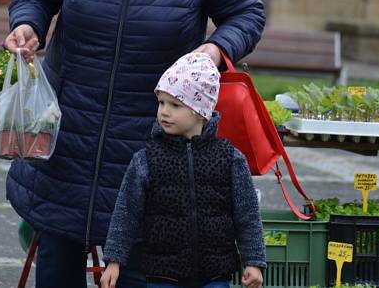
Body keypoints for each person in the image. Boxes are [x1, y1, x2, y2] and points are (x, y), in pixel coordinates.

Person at [4, 0, 265, 288]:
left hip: (153, 137)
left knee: (141, 269)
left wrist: (215, 49)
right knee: (57, 259)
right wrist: (28, 23)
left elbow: (246, 13)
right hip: (69, 129)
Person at [100, 52, 265, 288]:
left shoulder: (229, 158)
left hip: (215, 273)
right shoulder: (146, 158)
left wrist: (254, 261)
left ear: (200, 111)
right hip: (162, 272)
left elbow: (247, 215)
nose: (164, 111)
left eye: (175, 104)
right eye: (161, 102)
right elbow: (126, 213)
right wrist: (114, 260)